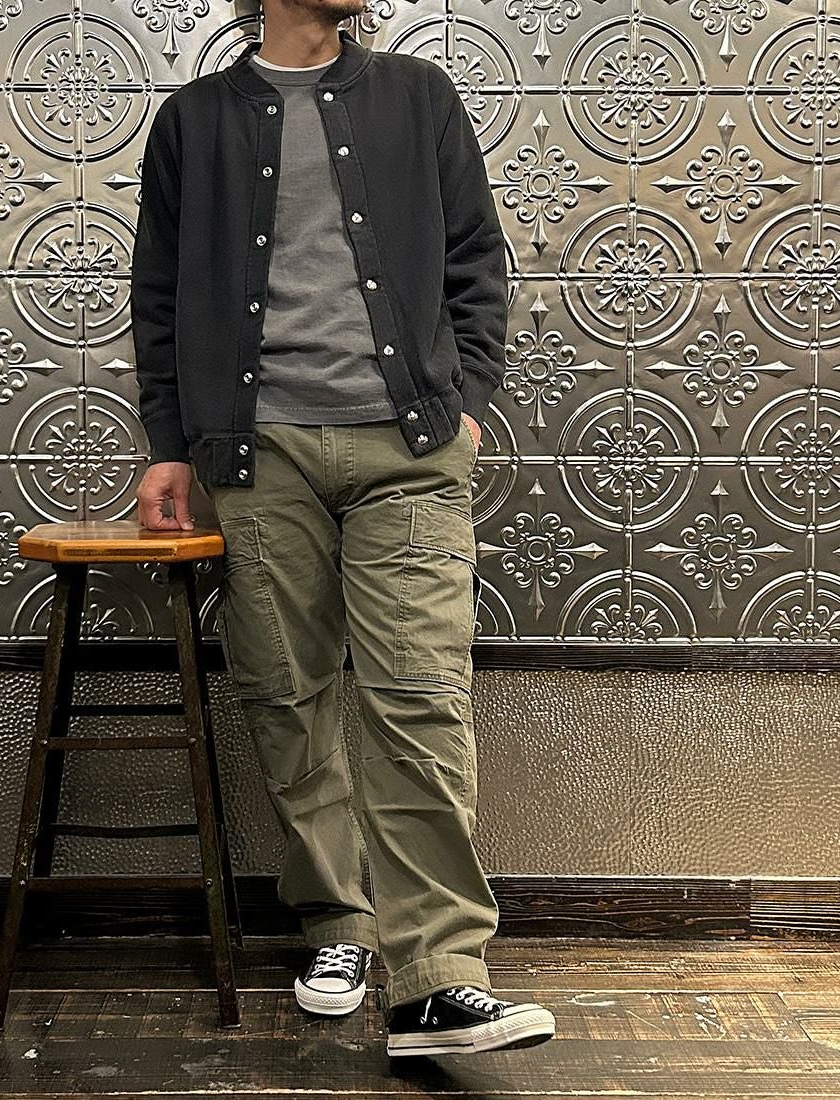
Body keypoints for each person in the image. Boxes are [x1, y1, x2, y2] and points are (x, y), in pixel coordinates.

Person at [129, 0, 557, 1057]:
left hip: (407, 449)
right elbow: (159, 295)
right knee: (287, 693)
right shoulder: (192, 121)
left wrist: (466, 402)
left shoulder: (418, 96)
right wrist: (169, 443)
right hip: (256, 454)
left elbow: (476, 258)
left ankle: (437, 978)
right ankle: (338, 924)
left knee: (418, 696)